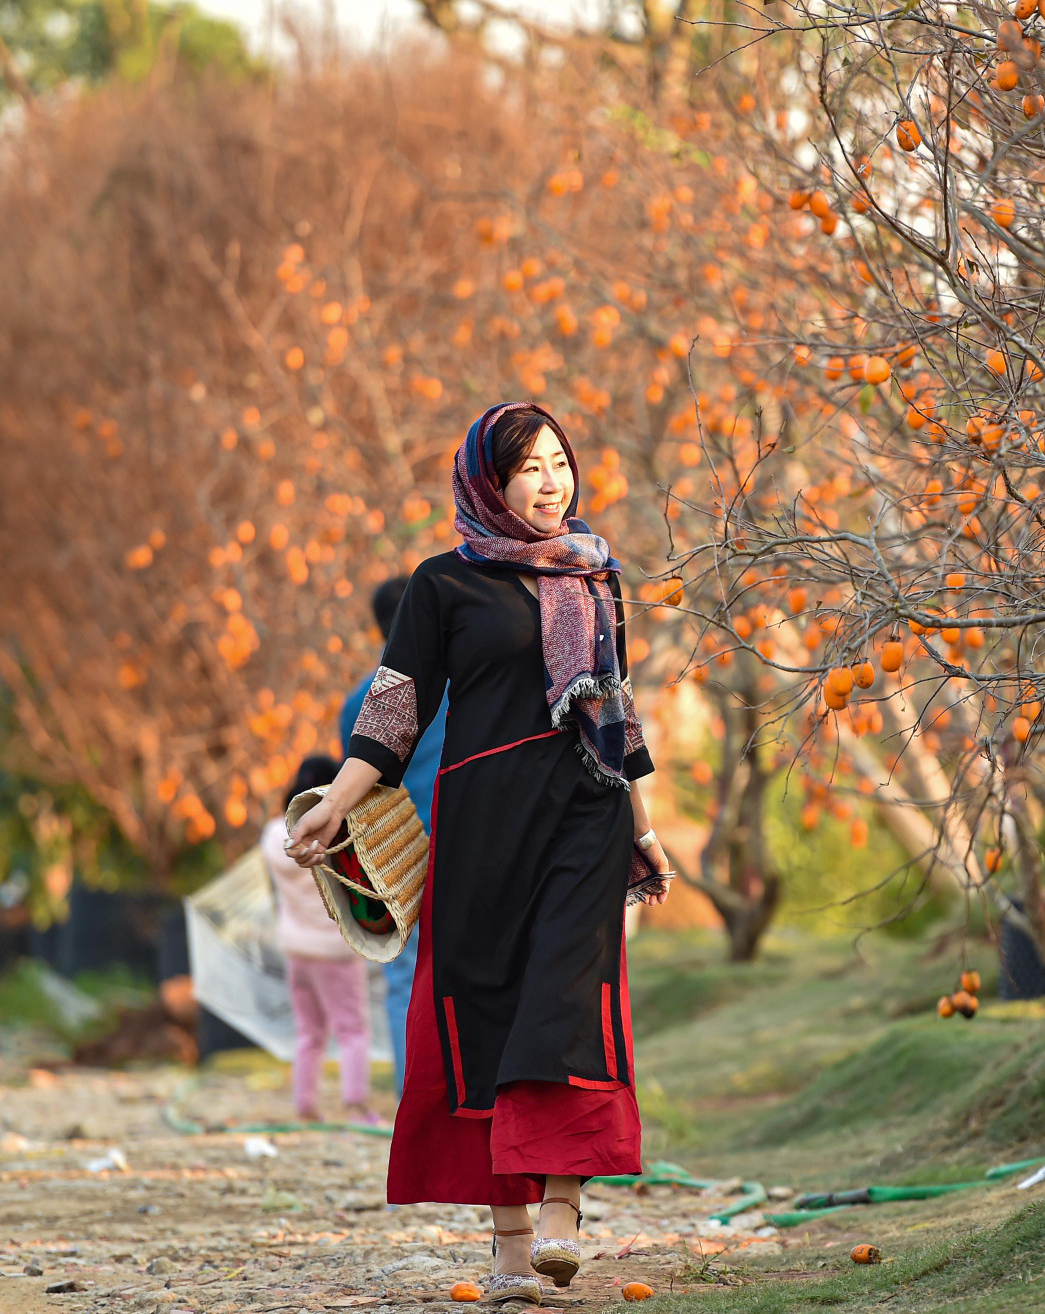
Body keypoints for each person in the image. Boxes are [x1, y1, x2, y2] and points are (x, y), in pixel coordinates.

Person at [287, 400, 674, 1307]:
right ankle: (506, 1248)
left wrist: (646, 833)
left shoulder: (596, 576)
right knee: (485, 1014)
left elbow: (617, 713)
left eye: (561, 463)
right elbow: (395, 709)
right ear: (488, 483)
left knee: (566, 1000)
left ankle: (562, 1219)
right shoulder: (443, 585)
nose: (554, 482)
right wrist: (334, 806)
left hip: (588, 813)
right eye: (532, 467)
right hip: (484, 827)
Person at [340, 577, 448, 1095]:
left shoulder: (357, 702)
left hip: (395, 859)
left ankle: (415, 1100)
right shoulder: (462, 686)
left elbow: (359, 789)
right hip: (466, 845)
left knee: (405, 981)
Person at [262, 753, 377, 1126]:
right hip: (334, 950)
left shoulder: (273, 837)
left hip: (295, 948)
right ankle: (356, 1105)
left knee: (309, 1033)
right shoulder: (336, 835)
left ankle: (305, 1106)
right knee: (353, 1030)